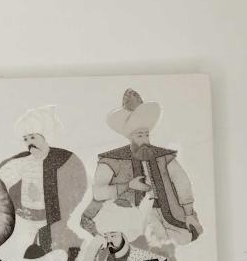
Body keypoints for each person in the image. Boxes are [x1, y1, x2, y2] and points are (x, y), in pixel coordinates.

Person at [81, 89, 203, 246]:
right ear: (130, 137)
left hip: (170, 212)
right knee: (151, 242)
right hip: (132, 217)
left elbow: (182, 182)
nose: (145, 140)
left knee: (185, 239)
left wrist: (189, 214)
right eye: (140, 136)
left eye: (147, 135)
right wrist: (128, 185)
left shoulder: (164, 157)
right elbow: (99, 193)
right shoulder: (111, 160)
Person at [0, 105, 87, 261]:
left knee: (61, 254)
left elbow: (79, 186)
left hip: (58, 220)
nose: (29, 143)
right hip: (27, 221)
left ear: (46, 136)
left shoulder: (65, 159)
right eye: (26, 139)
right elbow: (3, 181)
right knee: (28, 256)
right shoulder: (20, 161)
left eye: (33, 137)